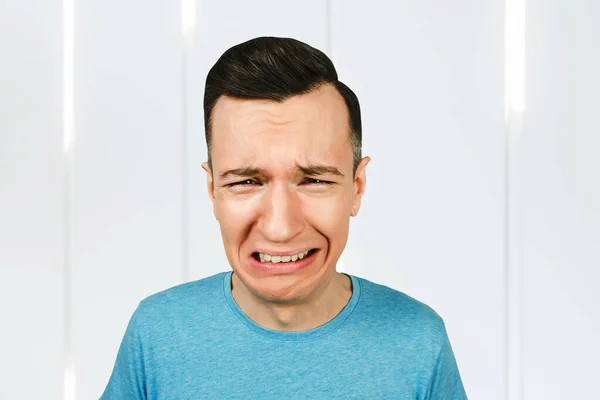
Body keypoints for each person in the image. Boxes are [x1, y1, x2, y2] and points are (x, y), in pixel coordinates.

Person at [101, 36, 467, 399]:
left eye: (314, 180)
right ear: (213, 189)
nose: (280, 228)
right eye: (246, 181)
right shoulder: (156, 334)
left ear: (357, 187)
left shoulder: (419, 342)